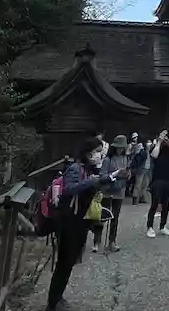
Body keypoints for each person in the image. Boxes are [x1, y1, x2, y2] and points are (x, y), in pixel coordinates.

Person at [46, 138, 127, 311]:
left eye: (101, 152)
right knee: (64, 263)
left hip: (80, 222)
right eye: (97, 151)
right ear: (88, 152)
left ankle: (58, 297)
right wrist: (92, 181)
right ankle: (53, 302)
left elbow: (98, 180)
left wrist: (114, 176)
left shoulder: (88, 170)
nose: (100, 155)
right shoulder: (75, 168)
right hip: (69, 222)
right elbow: (70, 189)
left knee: (69, 262)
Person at [90, 135, 130, 253]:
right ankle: (97, 241)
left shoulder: (125, 158)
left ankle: (112, 241)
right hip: (107, 191)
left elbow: (128, 173)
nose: (120, 150)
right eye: (118, 147)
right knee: (102, 216)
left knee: (115, 218)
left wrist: (127, 175)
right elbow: (102, 176)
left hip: (119, 191)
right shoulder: (108, 159)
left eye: (122, 147)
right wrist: (115, 174)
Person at [146, 130, 169, 237]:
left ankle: (162, 226)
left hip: (168, 179)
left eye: (166, 137)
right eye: (163, 136)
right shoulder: (155, 147)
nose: (165, 139)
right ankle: (150, 227)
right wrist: (159, 142)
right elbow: (154, 155)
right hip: (157, 180)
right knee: (155, 204)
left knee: (166, 205)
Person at [129, 132, 151, 204]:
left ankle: (141, 197)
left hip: (146, 167)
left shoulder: (143, 146)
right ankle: (135, 199)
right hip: (141, 168)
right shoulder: (140, 146)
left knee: (145, 183)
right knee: (138, 184)